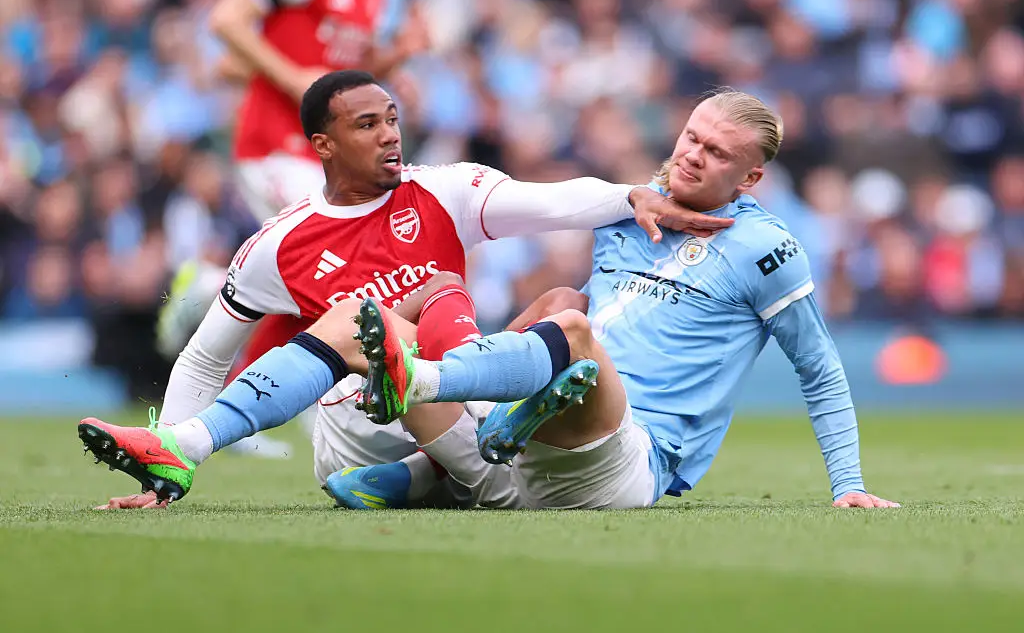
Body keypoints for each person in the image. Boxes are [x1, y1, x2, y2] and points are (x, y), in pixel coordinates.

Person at [77, 71, 733, 508]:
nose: (390, 133)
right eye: (367, 125)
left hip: (444, 407)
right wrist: (170, 473)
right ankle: (183, 450)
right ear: (323, 145)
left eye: (392, 118)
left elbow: (553, 201)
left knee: (564, 305)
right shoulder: (278, 244)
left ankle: (427, 473)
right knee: (379, 311)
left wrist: (631, 197)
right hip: (355, 423)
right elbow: (205, 356)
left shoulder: (444, 190)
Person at [231, 88, 899, 511]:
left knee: (574, 330)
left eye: (717, 153)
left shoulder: (766, 248)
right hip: (546, 442)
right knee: (544, 301)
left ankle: (430, 404)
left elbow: (819, 365)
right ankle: (199, 443)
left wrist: (847, 484)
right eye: (691, 136)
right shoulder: (627, 210)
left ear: (751, 176)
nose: (692, 156)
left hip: (631, 455)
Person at [155, 0, 425, 457]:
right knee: (332, 266)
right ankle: (275, 406)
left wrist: (398, 58)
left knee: (307, 278)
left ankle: (211, 293)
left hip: (324, 151)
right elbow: (226, 20)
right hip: (275, 145)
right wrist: (293, 80)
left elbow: (340, 73)